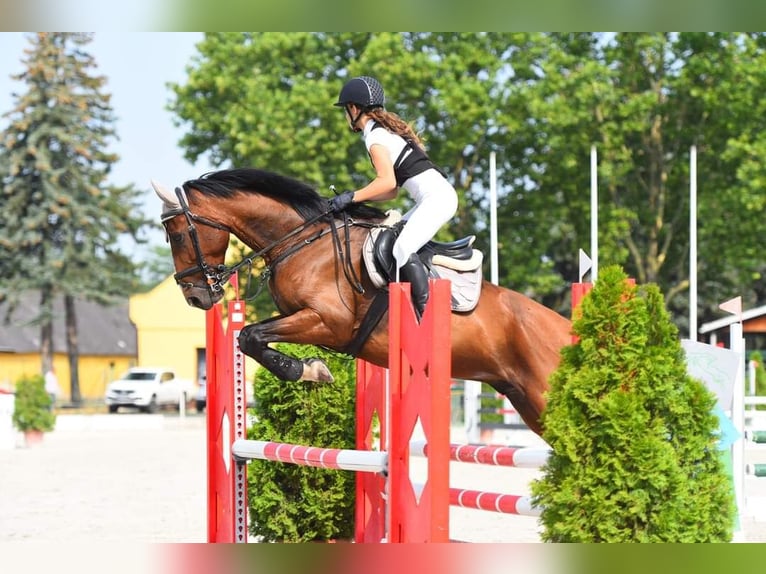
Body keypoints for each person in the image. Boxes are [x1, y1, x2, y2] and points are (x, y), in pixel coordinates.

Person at [329, 76, 458, 318]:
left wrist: (352, 196)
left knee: (402, 248)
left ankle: (427, 316)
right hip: (434, 198)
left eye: (346, 110)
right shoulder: (381, 132)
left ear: (354, 109)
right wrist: (355, 200)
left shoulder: (375, 137)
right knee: (390, 238)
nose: (346, 116)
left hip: (438, 199)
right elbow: (391, 191)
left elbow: (386, 181)